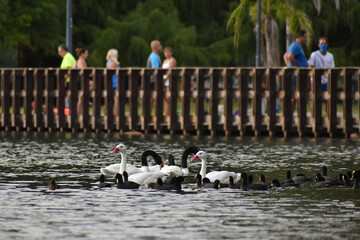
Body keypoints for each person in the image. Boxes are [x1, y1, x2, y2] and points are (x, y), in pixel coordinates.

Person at [308, 36, 335, 116]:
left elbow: (332, 68)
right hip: (316, 81)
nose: (323, 45)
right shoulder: (314, 55)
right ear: (318, 45)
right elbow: (310, 67)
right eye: (321, 44)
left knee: (327, 99)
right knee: (315, 99)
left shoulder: (330, 56)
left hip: (326, 81)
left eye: (324, 44)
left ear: (327, 44)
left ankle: (328, 116)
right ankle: (314, 116)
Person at [284, 30, 309, 115]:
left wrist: (289, 65)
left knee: (296, 96)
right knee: (296, 95)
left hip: (297, 74)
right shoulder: (296, 46)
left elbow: (285, 55)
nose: (306, 39)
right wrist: (295, 68)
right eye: (305, 37)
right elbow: (290, 56)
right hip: (297, 75)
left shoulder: (295, 45)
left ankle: (289, 115)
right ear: (300, 37)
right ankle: (289, 115)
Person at [73, 47, 94, 116]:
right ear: (82, 54)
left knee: (80, 99)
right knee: (93, 84)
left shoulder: (76, 61)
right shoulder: (82, 61)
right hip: (82, 80)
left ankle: (79, 113)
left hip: (76, 80)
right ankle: (87, 98)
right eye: (86, 53)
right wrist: (91, 74)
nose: (87, 55)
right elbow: (83, 72)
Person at [58, 44, 76, 113]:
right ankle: (69, 110)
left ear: (63, 51)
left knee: (69, 96)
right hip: (70, 80)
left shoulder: (67, 57)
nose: (59, 54)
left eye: (60, 52)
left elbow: (69, 69)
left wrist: (64, 80)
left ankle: (70, 111)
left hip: (70, 80)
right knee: (68, 96)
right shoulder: (68, 57)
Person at [146, 40, 162, 113]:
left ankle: (149, 113)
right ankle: (149, 113)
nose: (161, 47)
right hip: (154, 80)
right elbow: (155, 70)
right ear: (155, 47)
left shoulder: (155, 56)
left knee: (153, 97)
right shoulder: (154, 57)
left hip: (152, 79)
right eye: (159, 45)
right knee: (154, 97)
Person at [162, 47, 177, 116]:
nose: (167, 54)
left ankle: (171, 113)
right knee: (165, 98)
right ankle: (166, 112)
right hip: (164, 79)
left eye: (168, 52)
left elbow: (171, 71)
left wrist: (165, 79)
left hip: (169, 80)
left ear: (171, 53)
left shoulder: (172, 60)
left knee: (169, 97)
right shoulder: (164, 61)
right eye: (165, 52)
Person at [106, 49, 120, 116]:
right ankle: (116, 114)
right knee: (117, 99)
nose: (118, 55)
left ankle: (113, 113)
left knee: (114, 99)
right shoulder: (114, 63)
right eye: (117, 54)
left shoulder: (108, 62)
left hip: (112, 83)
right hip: (115, 83)